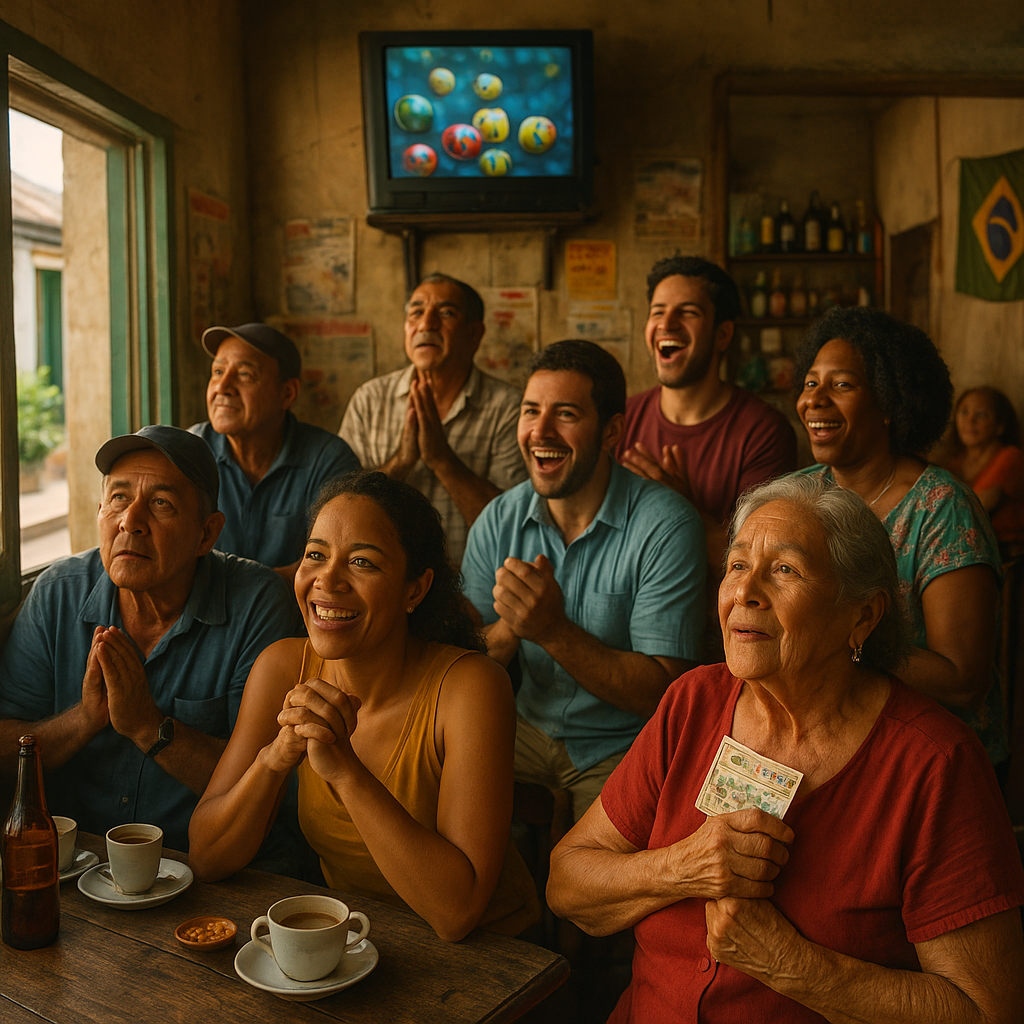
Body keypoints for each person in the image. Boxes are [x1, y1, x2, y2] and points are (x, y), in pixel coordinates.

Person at [548, 474, 1024, 1023]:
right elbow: (568, 883)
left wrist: (788, 963)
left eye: (784, 570)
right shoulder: (694, 703)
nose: (746, 592)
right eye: (737, 565)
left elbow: (987, 1011)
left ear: (862, 616)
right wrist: (684, 867)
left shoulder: (935, 767)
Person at [188, 471, 539, 941]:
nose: (327, 580)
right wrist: (273, 759)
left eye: (362, 563)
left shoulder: (470, 687)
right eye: (315, 555)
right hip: (358, 942)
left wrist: (346, 772)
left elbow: (457, 913)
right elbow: (207, 857)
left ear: (415, 589)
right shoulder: (282, 668)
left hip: (491, 956)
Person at [0, 426, 302, 853]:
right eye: (119, 498)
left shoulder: (256, 603)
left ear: (206, 534)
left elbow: (268, 784)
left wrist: (148, 726)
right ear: (101, 510)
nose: (130, 521)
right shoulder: (57, 593)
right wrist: (84, 720)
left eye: (161, 503)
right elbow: (4, 751)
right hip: (78, 863)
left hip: (208, 871)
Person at [462, 340, 706, 821]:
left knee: (590, 883)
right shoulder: (498, 519)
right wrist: (513, 628)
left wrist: (552, 629)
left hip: (624, 743)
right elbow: (460, 660)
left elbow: (661, 692)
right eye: (530, 411)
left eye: (566, 414)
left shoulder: (666, 524)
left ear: (612, 430)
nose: (540, 431)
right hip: (523, 729)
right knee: (422, 775)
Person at [792, 306, 1005, 767]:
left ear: (889, 403)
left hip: (932, 755)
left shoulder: (942, 509)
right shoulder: (801, 495)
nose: (815, 399)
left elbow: (963, 678)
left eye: (842, 384)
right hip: (832, 739)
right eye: (811, 383)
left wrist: (836, 639)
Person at [617, 256, 797, 571]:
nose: (666, 324)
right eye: (657, 312)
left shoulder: (764, 432)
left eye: (687, 312)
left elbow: (759, 565)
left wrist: (680, 506)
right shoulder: (622, 418)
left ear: (722, 335)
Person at [339, 274, 526, 564]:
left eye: (447, 313)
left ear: (474, 334)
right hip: (382, 586)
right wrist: (401, 462)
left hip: (472, 586)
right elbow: (341, 513)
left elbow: (511, 529)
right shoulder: (370, 399)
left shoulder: (509, 408)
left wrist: (442, 460)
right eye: (416, 313)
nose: (426, 324)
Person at [191, 322, 359, 580]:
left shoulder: (328, 459)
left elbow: (334, 566)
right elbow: (173, 559)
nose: (222, 387)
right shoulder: (191, 451)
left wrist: (233, 588)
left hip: (297, 616)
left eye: (245, 374)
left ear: (287, 393)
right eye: (217, 371)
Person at [942, 385, 1024, 549]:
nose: (970, 420)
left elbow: (975, 507)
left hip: (1005, 552)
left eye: (981, 414)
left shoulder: (1010, 457)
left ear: (1000, 426)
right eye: (964, 412)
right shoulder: (953, 462)